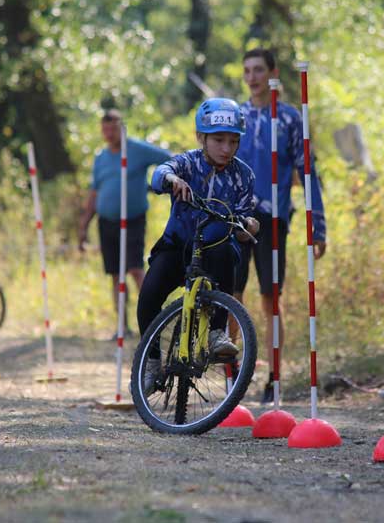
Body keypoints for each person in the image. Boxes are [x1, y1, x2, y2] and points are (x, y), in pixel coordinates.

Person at [136, 98, 259, 393]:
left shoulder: (244, 176)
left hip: (215, 251)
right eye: (218, 140)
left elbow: (246, 217)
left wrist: (249, 226)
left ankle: (217, 332)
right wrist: (171, 178)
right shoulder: (187, 163)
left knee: (227, 250)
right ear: (200, 137)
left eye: (233, 141)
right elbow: (158, 174)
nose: (226, 148)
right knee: (148, 297)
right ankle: (151, 363)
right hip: (177, 246)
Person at [235, 48, 328, 403]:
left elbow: (308, 173)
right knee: (232, 295)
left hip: (273, 217)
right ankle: (234, 372)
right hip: (235, 218)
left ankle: (274, 376)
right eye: (247, 71)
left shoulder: (290, 119)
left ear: (273, 73)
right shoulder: (236, 117)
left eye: (258, 69)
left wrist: (317, 225)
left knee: (270, 298)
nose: (252, 77)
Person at [78, 109, 171, 339]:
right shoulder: (101, 157)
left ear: (121, 127)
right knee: (115, 275)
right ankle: (122, 327)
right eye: (105, 129)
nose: (109, 133)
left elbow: (169, 158)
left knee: (136, 269)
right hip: (107, 221)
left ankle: (152, 323)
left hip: (133, 220)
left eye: (113, 128)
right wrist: (83, 225)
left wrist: (161, 183)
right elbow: (94, 191)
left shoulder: (137, 149)